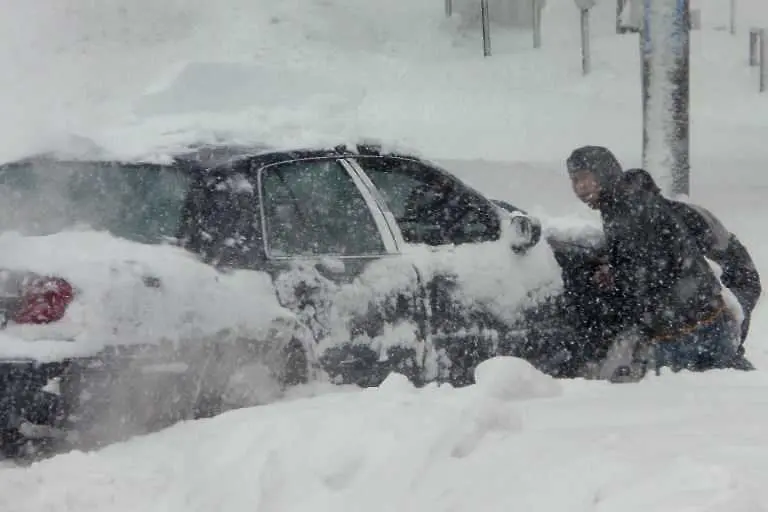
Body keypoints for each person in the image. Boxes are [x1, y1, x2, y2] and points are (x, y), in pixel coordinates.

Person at [565, 146, 740, 381]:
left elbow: (647, 275)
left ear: (604, 173)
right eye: (574, 181)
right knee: (733, 394)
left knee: (677, 406)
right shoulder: (631, 200)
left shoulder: (626, 210)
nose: (580, 187)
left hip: (683, 333)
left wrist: (614, 285)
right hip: (710, 320)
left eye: (586, 178)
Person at [622, 168, 762, 359]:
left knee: (722, 339)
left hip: (734, 280)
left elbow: (723, 267)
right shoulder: (645, 225)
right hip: (713, 287)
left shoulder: (685, 219)